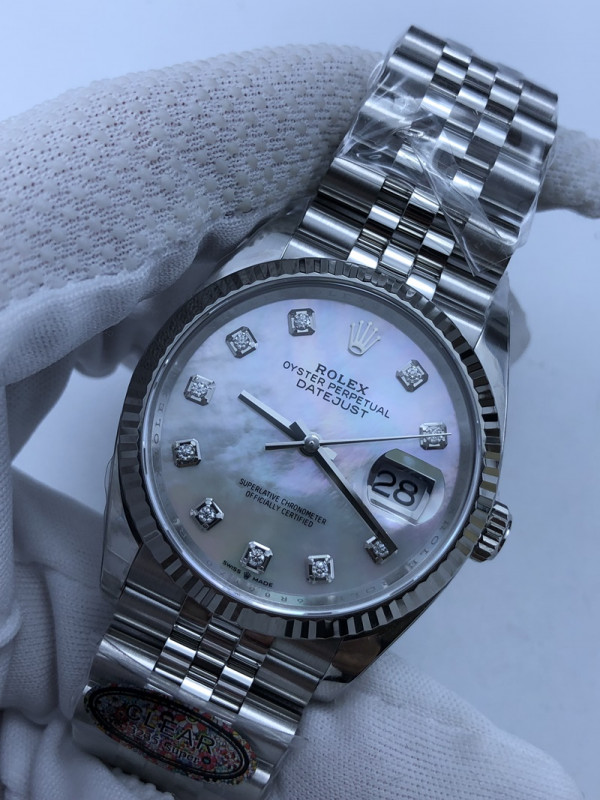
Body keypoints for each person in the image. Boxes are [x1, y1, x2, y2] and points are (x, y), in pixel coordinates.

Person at [0, 43, 596, 800]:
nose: (311, 441)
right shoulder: (261, 278)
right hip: (177, 559)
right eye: (304, 433)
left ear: (477, 526)